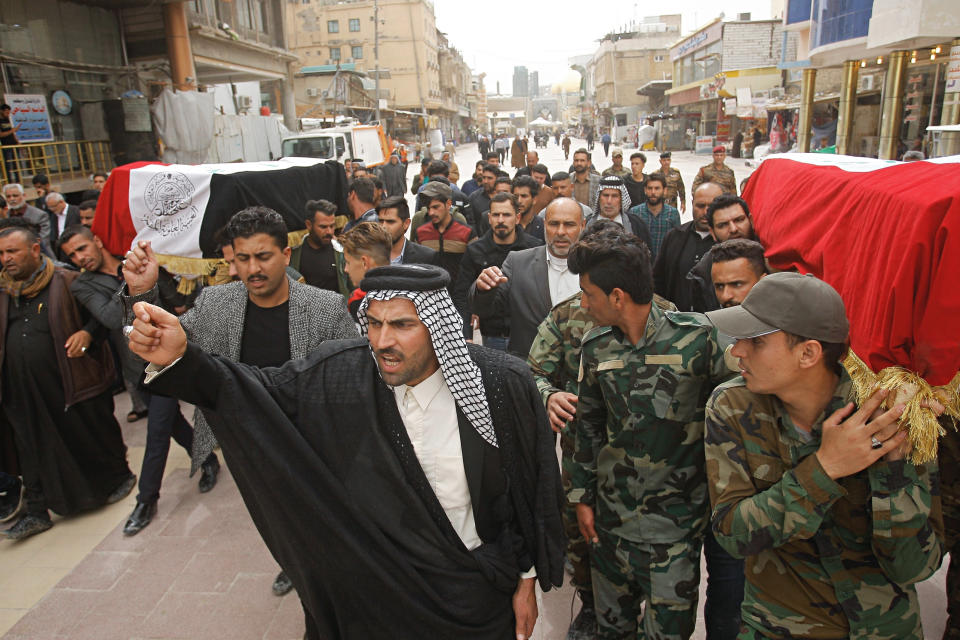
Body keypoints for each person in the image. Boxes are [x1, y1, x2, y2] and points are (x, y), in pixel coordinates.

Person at [127, 262, 566, 640]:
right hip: (380, 596)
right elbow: (255, 393)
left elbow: (526, 490)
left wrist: (525, 579)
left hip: (474, 591)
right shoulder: (340, 374)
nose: (382, 341)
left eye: (402, 325)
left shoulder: (500, 385)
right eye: (374, 323)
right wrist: (183, 359)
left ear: (439, 328)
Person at [122, 206, 357, 606]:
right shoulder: (216, 304)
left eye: (263, 256)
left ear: (286, 254)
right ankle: (292, 561)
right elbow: (157, 354)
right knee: (273, 515)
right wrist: (142, 294)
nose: (252, 269)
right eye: (242, 258)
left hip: (308, 441)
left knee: (316, 515)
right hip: (244, 442)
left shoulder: (325, 309)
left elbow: (350, 383)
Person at [704, 272, 943, 639]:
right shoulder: (732, 406)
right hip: (777, 628)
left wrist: (894, 467)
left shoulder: (889, 410)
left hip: (885, 629)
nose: (736, 351)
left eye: (756, 341)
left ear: (808, 353)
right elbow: (732, 535)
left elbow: (914, 567)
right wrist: (825, 468)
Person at [567, 228, 732, 640]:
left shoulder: (698, 339)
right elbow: (587, 427)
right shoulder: (596, 348)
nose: (584, 304)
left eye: (588, 294)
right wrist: (581, 499)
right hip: (610, 525)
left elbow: (739, 411)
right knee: (612, 631)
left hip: (674, 532)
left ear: (618, 296)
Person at [527, 219, 677, 640]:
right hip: (585, 458)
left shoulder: (669, 320)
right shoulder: (571, 314)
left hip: (652, 464)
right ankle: (594, 608)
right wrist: (549, 395)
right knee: (585, 539)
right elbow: (533, 371)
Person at [59, 224, 220, 536]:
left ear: (96, 240)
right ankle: (208, 460)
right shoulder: (83, 284)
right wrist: (133, 283)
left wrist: (167, 279)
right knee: (172, 423)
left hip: (168, 357)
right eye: (71, 256)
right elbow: (107, 318)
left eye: (82, 248)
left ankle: (146, 499)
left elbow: (172, 298)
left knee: (158, 431)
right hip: (138, 368)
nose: (80, 258)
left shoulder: (135, 259)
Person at [0, 219, 135, 540]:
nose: (6, 259)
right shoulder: (4, 290)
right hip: (21, 389)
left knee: (87, 433)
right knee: (29, 446)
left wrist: (87, 333)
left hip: (70, 381)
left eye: (12, 251)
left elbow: (103, 319)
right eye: (1, 253)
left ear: (35, 249)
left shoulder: (68, 280)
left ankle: (117, 480)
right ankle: (37, 511)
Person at [470, 198, 584, 358]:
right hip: (529, 372)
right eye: (554, 224)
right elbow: (486, 309)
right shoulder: (517, 263)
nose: (560, 232)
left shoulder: (595, 266)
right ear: (544, 224)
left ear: (582, 225)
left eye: (569, 224)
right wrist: (483, 288)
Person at [453, 192, 542, 348]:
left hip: (528, 335)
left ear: (517, 218)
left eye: (506, 215)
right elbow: (462, 294)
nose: (500, 220)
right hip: (493, 336)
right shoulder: (475, 250)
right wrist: (466, 334)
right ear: (489, 218)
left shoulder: (535, 248)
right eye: (496, 215)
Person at [654, 182, 723, 311]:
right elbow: (658, 281)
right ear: (692, 204)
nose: (706, 212)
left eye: (712, 206)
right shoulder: (674, 237)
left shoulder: (728, 240)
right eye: (700, 206)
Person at [687, 194, 759, 313]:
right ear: (713, 233)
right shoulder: (702, 275)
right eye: (723, 225)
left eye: (739, 220)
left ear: (750, 220)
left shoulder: (776, 262)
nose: (733, 229)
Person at [414, 181, 476, 288]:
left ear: (448, 204)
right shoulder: (420, 233)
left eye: (436, 207)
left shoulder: (467, 232)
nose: (431, 213)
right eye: (428, 208)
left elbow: (474, 269)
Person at [584, 175, 654, 252]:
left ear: (621, 199)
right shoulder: (586, 223)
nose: (609, 201)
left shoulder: (636, 224)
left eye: (614, 196)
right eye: (605, 195)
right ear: (599, 197)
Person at [340, 221, 392, 319]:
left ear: (364, 262)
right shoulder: (409, 297)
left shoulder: (357, 303)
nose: (346, 269)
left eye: (348, 262)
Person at [627, 172, 680, 262]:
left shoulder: (672, 213)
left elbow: (677, 242)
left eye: (657, 188)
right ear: (645, 190)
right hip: (640, 264)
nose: (653, 192)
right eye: (650, 188)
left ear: (665, 190)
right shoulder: (635, 212)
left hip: (664, 264)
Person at [290, 199, 340, 293]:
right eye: (323, 227)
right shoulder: (295, 254)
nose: (329, 232)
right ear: (309, 225)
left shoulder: (341, 252)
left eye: (332, 226)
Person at [376, 195, 439, 266]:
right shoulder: (368, 254)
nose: (383, 226)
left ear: (406, 224)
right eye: (381, 221)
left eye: (390, 222)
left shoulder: (426, 257)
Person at [2, 183, 51, 252]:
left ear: (24, 196)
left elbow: (44, 239)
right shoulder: (5, 216)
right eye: (8, 196)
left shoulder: (39, 215)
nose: (12, 199)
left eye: (15, 196)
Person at [44, 192, 80, 259]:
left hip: (75, 248)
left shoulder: (76, 211)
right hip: (61, 252)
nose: (52, 209)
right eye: (50, 207)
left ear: (61, 202)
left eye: (54, 206)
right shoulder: (53, 216)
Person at [467, 163, 499, 234]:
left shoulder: (504, 197)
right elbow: (470, 222)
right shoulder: (474, 197)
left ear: (497, 179)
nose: (485, 181)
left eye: (489, 178)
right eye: (484, 178)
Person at [512, 175, 545, 242]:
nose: (519, 201)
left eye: (524, 196)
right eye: (516, 196)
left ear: (534, 199)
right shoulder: (508, 224)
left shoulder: (543, 226)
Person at [0, 104, 21, 182]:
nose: (7, 114)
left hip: (14, 145)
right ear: (1, 111)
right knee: (8, 166)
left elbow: (13, 132)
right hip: (6, 146)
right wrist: (12, 130)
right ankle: (9, 182)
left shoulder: (8, 120)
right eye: (6, 112)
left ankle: (18, 181)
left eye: (9, 112)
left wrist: (17, 142)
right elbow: (1, 134)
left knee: (16, 165)